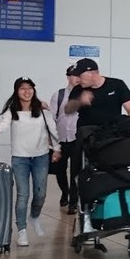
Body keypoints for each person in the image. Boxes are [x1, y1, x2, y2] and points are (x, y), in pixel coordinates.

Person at [0, 77, 60, 247]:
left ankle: (34, 216)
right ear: (16, 91)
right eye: (22, 89)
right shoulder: (12, 111)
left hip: (41, 157)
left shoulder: (43, 110)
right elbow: (4, 124)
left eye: (30, 88)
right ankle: (21, 230)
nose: (26, 92)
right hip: (20, 158)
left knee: (40, 194)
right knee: (22, 195)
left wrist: (58, 149)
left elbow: (53, 130)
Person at [64, 59, 130, 137]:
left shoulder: (117, 85)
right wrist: (79, 101)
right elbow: (68, 110)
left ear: (92, 73)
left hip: (112, 134)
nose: (78, 80)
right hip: (87, 135)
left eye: (80, 76)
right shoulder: (78, 89)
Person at [49, 65, 81, 214]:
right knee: (60, 170)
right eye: (74, 75)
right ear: (68, 77)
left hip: (77, 139)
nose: (77, 78)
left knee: (76, 171)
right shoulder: (59, 95)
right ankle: (65, 192)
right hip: (61, 138)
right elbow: (52, 118)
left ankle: (73, 202)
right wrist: (51, 139)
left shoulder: (85, 95)